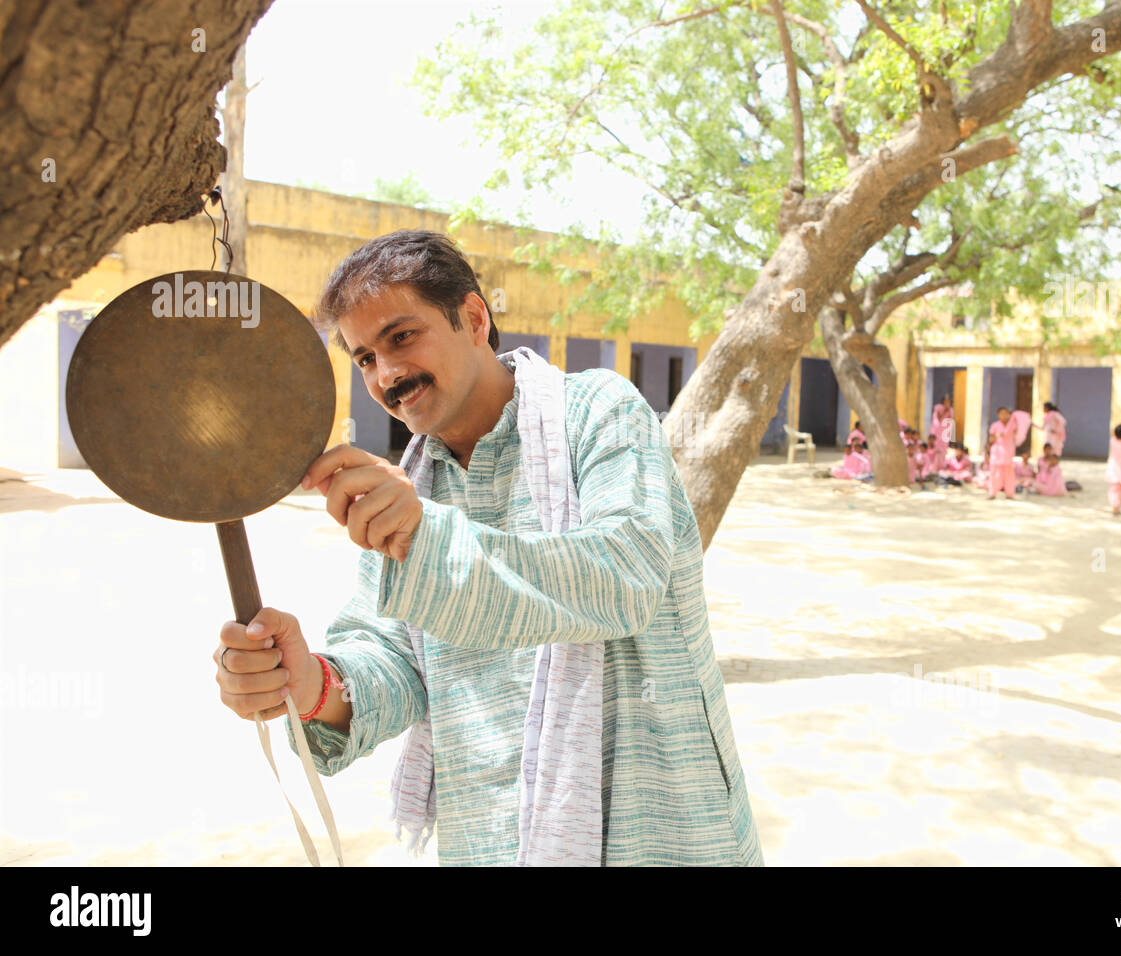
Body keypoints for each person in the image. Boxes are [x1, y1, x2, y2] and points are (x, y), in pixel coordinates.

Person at [211, 230, 763, 866]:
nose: (386, 374)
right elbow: (392, 660)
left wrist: (426, 539)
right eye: (363, 358)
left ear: (474, 317)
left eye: (400, 337)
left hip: (662, 829)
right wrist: (307, 682)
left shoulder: (599, 411)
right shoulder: (413, 486)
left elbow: (626, 576)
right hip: (491, 839)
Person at [986, 407, 1018, 500]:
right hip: (997, 453)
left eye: (1006, 413)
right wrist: (997, 435)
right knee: (995, 473)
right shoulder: (995, 425)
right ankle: (992, 493)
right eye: (1002, 413)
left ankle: (1009, 494)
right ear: (998, 415)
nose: (1004, 415)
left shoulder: (1013, 425)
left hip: (1008, 453)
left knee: (1009, 474)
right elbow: (990, 440)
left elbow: (1017, 435)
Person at [930, 394, 955, 458]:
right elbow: (936, 417)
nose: (947, 403)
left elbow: (951, 419)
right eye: (946, 401)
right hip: (938, 428)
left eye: (948, 401)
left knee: (944, 444)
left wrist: (948, 410)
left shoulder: (951, 410)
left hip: (945, 429)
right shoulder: (938, 407)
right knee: (937, 443)